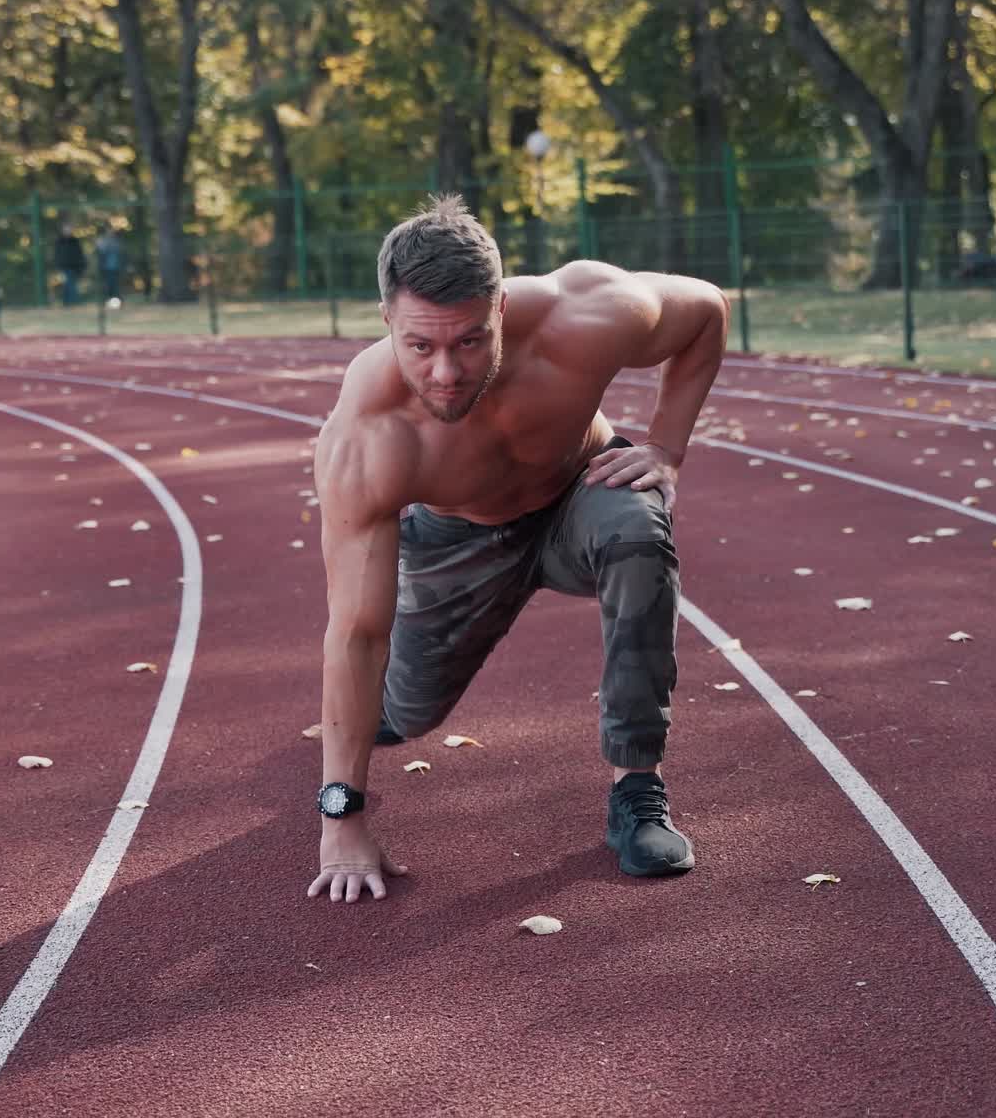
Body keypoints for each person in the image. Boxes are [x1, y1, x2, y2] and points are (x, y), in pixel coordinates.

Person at [308, 195, 729, 905]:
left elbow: (707, 311)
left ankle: (637, 790)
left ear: (501, 308)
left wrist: (667, 446)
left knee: (638, 535)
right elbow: (356, 633)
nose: (446, 372)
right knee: (406, 711)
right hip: (457, 540)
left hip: (578, 494)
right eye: (420, 346)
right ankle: (381, 718)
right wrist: (340, 816)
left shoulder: (587, 313)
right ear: (387, 322)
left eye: (470, 340)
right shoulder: (368, 437)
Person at [54, 224, 87, 304]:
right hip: (64, 267)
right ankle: (71, 302)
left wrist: (81, 266)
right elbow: (57, 255)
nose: (68, 231)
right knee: (68, 285)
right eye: (66, 230)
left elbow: (79, 254)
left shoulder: (75, 241)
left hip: (74, 267)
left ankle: (70, 302)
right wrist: (58, 266)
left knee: (70, 284)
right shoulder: (59, 241)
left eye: (69, 230)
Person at [95, 225, 125, 304]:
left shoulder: (117, 241)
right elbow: (100, 251)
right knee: (108, 285)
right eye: (108, 231)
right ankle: (108, 300)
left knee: (115, 285)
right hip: (106, 268)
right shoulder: (102, 240)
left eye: (111, 231)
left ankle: (116, 300)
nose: (110, 232)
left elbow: (121, 252)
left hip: (116, 267)